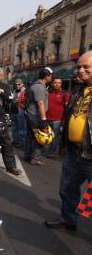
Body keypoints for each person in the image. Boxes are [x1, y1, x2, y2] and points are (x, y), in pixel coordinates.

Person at [44, 51, 92, 232]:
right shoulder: (79, 90)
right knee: (67, 188)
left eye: (85, 67)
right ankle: (68, 220)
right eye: (78, 67)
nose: (80, 70)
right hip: (74, 150)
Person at [24, 67, 53, 165]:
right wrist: (44, 120)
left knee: (30, 136)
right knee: (40, 137)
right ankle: (35, 158)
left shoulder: (36, 85)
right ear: (46, 77)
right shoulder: (39, 87)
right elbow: (40, 103)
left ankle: (27, 156)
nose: (51, 78)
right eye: (50, 76)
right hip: (35, 116)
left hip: (31, 114)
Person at [45, 76, 70, 158]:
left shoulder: (65, 94)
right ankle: (45, 150)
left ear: (61, 84)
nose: (57, 84)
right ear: (52, 83)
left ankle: (51, 153)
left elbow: (67, 108)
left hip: (57, 120)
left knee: (54, 138)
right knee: (46, 136)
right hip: (46, 119)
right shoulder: (48, 92)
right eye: (55, 82)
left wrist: (65, 120)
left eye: (59, 83)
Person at [11, 79, 27, 148]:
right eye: (16, 84)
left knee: (21, 128)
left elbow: (26, 102)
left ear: (22, 84)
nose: (17, 85)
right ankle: (15, 141)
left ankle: (22, 143)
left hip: (21, 112)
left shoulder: (25, 92)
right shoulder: (14, 91)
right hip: (13, 111)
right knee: (14, 128)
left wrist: (20, 102)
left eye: (19, 84)